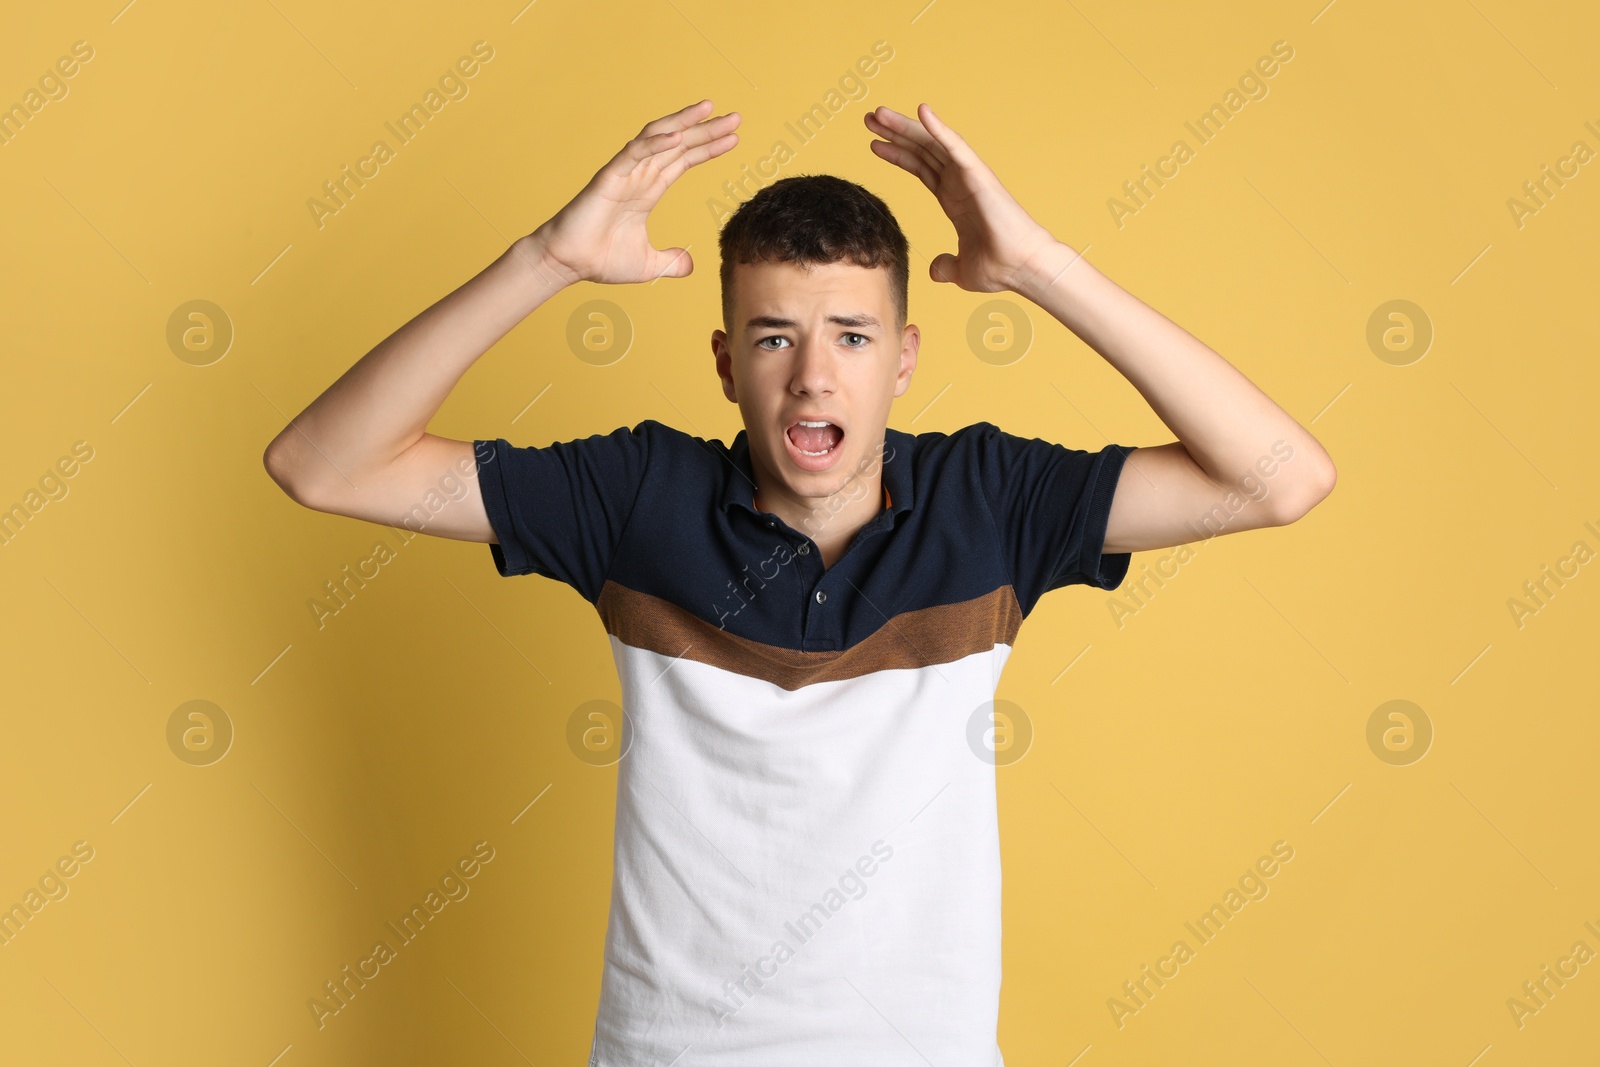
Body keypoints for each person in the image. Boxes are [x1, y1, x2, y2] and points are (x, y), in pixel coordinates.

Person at [263, 98, 1335, 1065]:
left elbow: (1282, 478)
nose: (814, 373)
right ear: (728, 364)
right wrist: (547, 257)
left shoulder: (989, 498)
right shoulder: (639, 495)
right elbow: (323, 464)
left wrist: (1041, 267)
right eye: (775, 337)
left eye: (852, 337)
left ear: (903, 359)